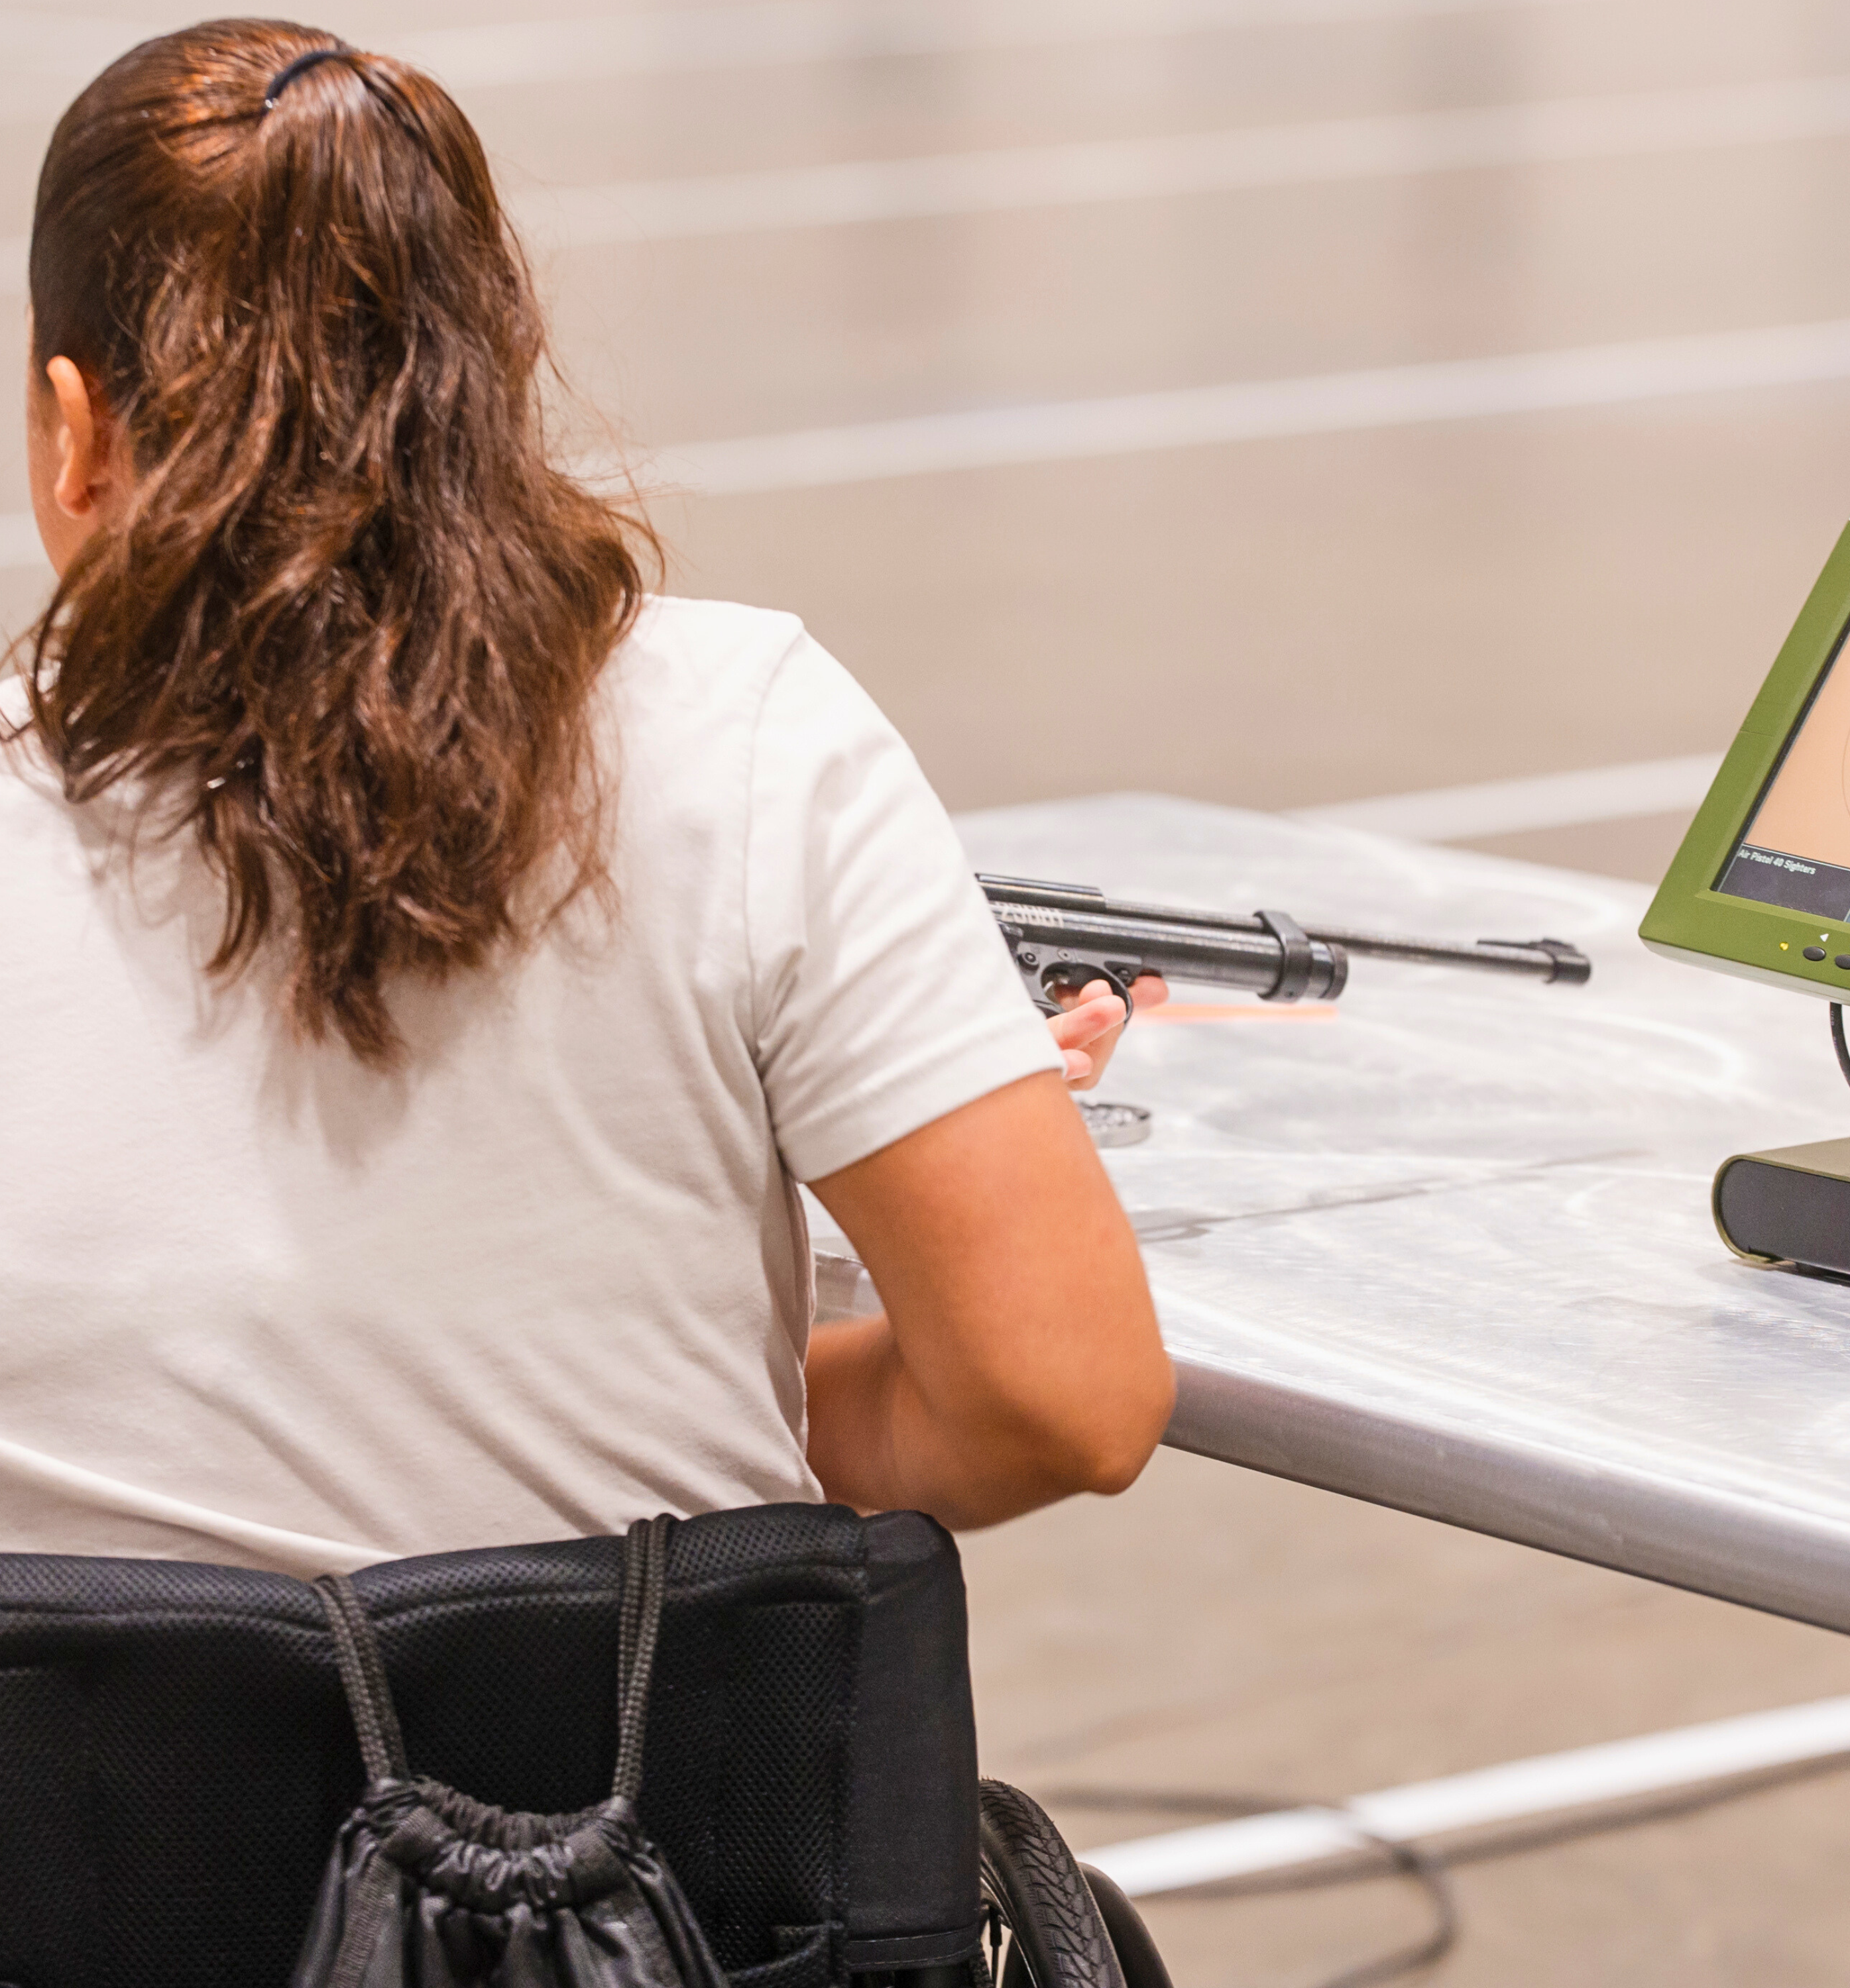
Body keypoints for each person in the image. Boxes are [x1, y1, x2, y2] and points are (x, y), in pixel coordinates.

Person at [0, 21, 1173, 1578]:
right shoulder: (753, 738)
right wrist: (683, 1423)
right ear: (487, 383)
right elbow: (1063, 1400)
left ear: (76, 433)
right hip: (659, 1811)